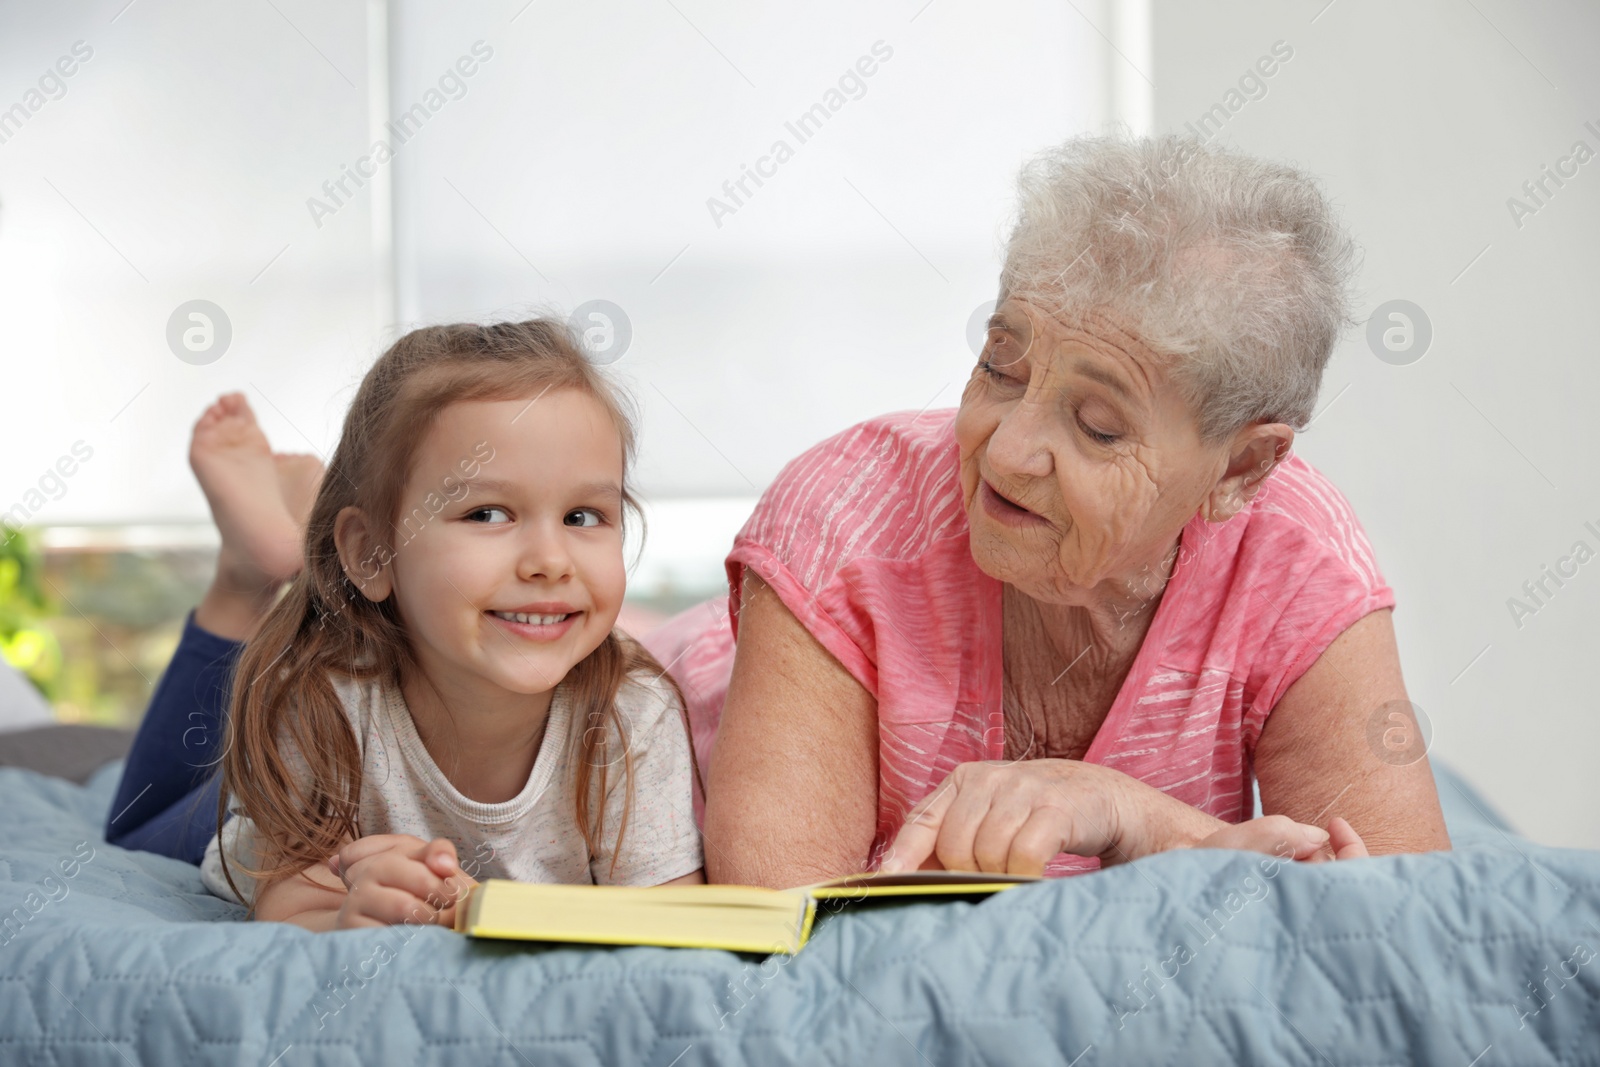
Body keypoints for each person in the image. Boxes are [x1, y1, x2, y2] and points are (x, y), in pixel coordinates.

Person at [646, 133, 1452, 888]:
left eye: (1097, 425)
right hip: (672, 690)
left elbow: (1402, 930)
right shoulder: (840, 520)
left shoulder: (1299, 559)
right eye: (1001, 366)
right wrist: (1200, 848)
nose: (1005, 453)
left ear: (1240, 467)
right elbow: (782, 932)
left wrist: (1131, 813)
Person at [108, 320, 703, 929]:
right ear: (372, 555)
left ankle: (280, 535)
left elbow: (673, 919)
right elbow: (294, 903)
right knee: (131, 833)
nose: (551, 562)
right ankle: (246, 577)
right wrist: (344, 913)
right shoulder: (325, 699)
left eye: (583, 515)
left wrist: (485, 911)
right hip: (280, 803)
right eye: (488, 513)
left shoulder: (632, 714)